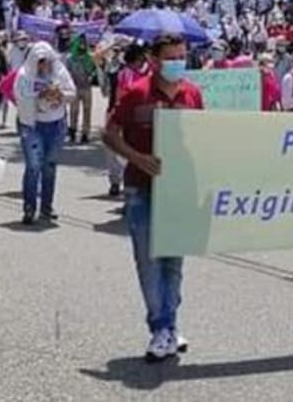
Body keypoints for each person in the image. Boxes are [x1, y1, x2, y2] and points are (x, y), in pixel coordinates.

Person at [105, 33, 204, 363]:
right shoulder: (136, 93)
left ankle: (171, 327)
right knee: (150, 263)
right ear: (154, 59)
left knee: (174, 264)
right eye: (171, 57)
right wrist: (137, 158)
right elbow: (109, 133)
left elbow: (202, 138)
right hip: (141, 189)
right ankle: (160, 328)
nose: (177, 62)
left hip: (178, 192)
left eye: (182, 56)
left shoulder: (192, 93)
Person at [14, 41, 74, 225]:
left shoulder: (60, 72)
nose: (44, 65)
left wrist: (59, 94)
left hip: (55, 125)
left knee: (49, 167)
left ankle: (46, 207)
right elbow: (20, 96)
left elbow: (72, 92)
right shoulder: (25, 75)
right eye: (40, 61)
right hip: (32, 126)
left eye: (47, 60)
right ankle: (29, 207)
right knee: (33, 167)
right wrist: (39, 94)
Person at [66, 33, 98, 144]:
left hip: (86, 88)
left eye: (84, 42)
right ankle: (73, 131)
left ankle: (85, 133)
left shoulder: (89, 57)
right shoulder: (70, 59)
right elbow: (67, 72)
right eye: (80, 42)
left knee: (87, 110)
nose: (82, 44)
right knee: (74, 111)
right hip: (74, 88)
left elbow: (94, 71)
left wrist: (91, 76)